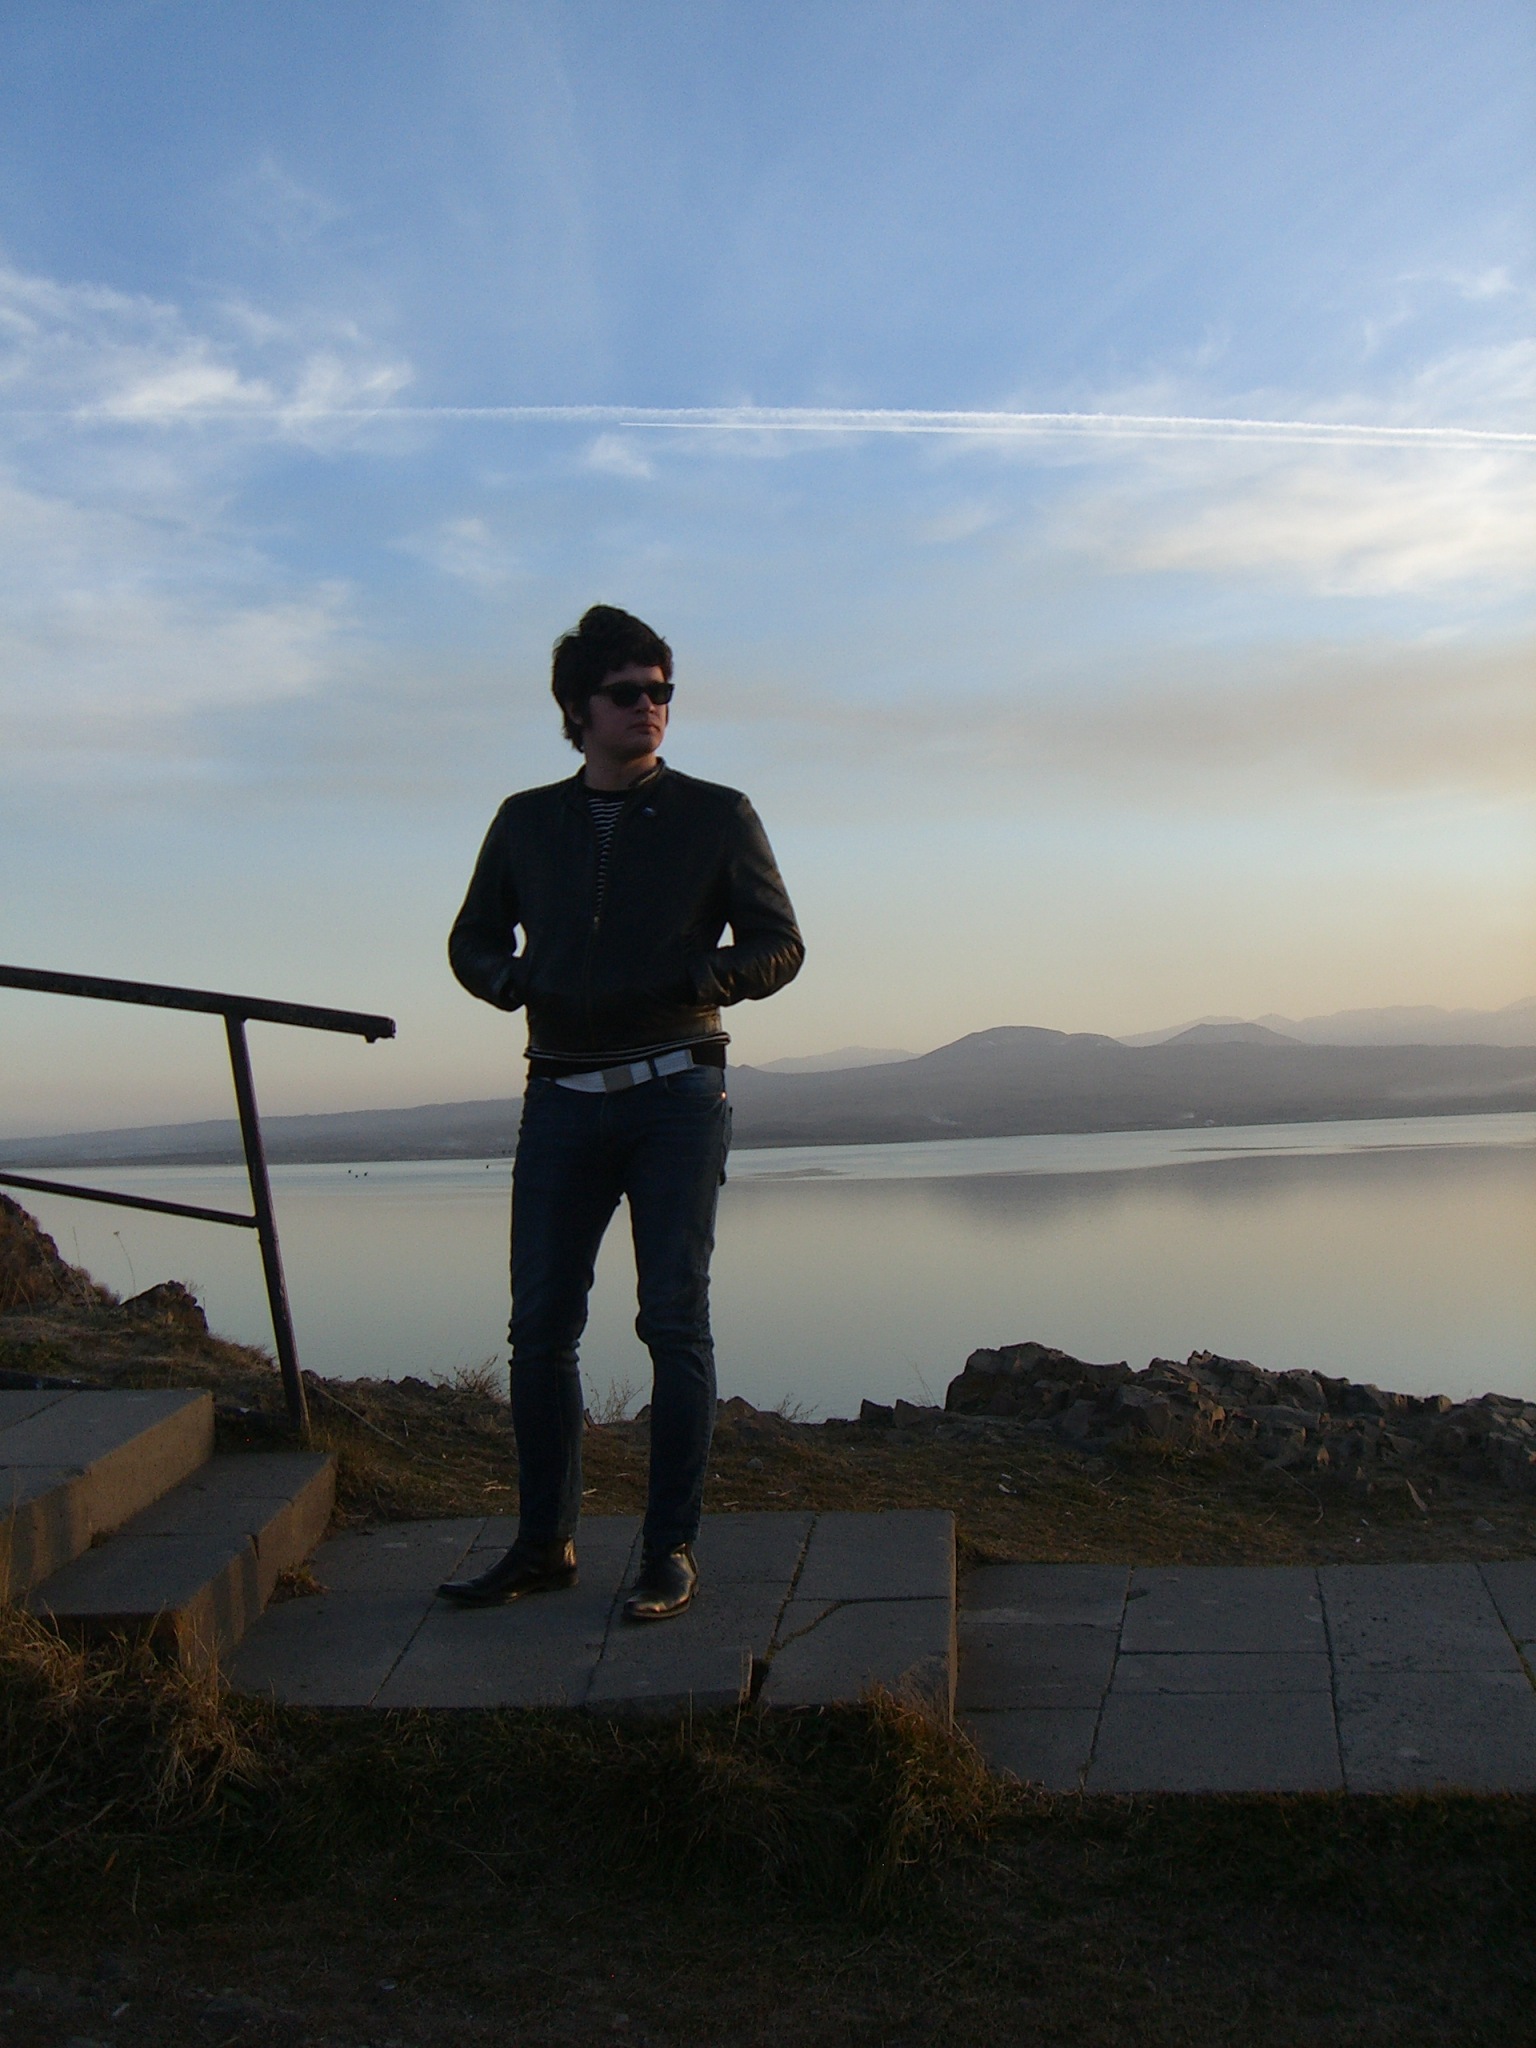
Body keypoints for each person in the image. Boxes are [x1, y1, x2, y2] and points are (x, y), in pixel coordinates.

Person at [438, 606, 804, 1621]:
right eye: (627, 692)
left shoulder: (717, 814)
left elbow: (779, 943)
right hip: (560, 1095)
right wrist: (513, 981)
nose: (650, 706)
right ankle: (542, 1545)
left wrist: (701, 975)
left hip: (678, 1092)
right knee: (539, 1330)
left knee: (673, 1322)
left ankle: (667, 1551)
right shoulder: (526, 821)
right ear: (578, 708)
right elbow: (471, 939)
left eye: (662, 690)